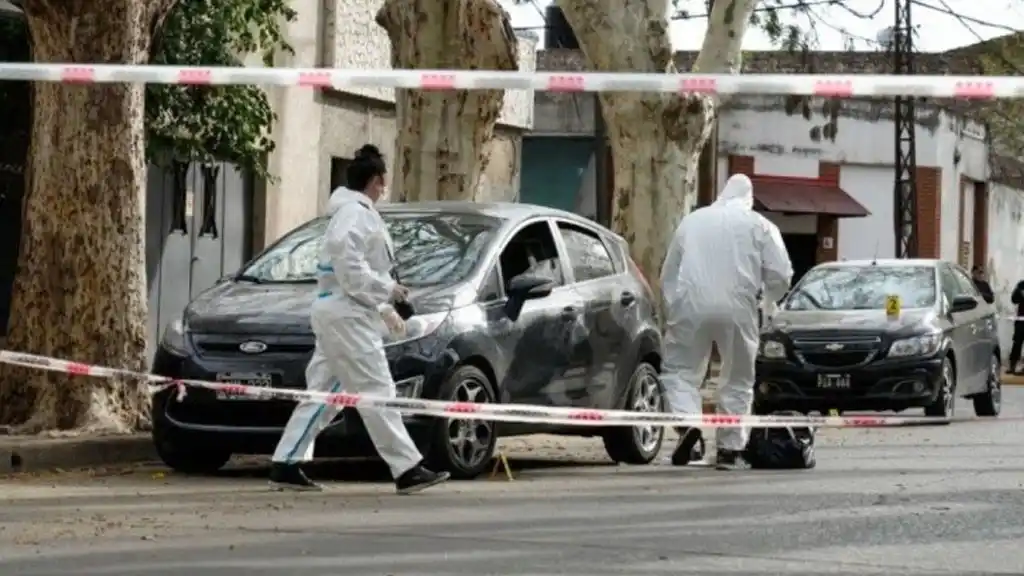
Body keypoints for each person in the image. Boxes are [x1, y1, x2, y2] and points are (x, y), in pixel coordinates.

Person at [269, 144, 450, 494]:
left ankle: (287, 461)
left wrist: (383, 302)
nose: (384, 189)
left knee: (325, 393)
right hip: (349, 315)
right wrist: (385, 293)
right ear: (376, 181)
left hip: (340, 311)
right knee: (377, 390)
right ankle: (407, 467)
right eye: (383, 182)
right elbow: (349, 264)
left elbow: (348, 270)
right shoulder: (356, 215)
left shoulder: (349, 213)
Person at [659, 174, 793, 471]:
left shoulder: (692, 221)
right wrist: (767, 302)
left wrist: (673, 308)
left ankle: (687, 424)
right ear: (748, 197)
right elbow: (781, 274)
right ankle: (729, 450)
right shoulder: (760, 225)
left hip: (690, 304)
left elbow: (668, 273)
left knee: (679, 370)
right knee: (738, 378)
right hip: (739, 307)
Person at [1009, 279, 1024, 375]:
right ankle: (1012, 367)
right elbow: (1014, 300)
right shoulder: (1021, 284)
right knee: (1016, 344)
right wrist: (1019, 292)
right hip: (1021, 321)